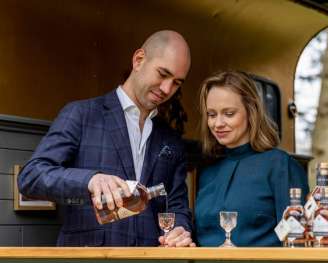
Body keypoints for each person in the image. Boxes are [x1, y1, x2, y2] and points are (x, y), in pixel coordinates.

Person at [18, 30, 195, 247]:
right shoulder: (81, 114)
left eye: (177, 82)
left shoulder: (171, 139)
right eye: (162, 74)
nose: (167, 89)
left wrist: (180, 230)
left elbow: (177, 206)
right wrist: (91, 180)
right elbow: (31, 176)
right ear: (138, 60)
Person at [195, 70, 309, 246]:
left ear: (251, 111)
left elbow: (295, 241)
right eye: (212, 114)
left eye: (229, 113)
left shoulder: (280, 166)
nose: (218, 123)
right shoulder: (207, 172)